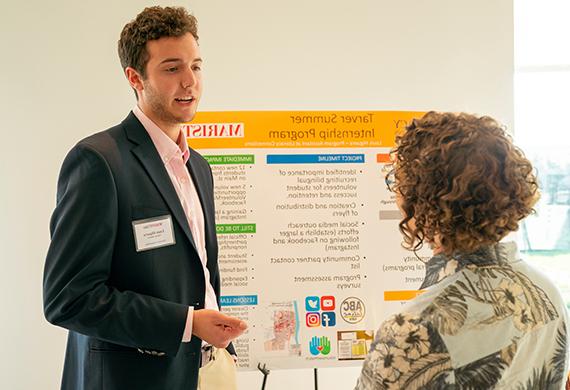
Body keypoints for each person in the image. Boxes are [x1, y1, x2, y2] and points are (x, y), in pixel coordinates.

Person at [43, 6, 246, 390]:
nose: (190, 82)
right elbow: (68, 299)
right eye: (172, 69)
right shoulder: (98, 161)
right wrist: (186, 323)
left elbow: (200, 274)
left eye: (196, 66)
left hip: (207, 370)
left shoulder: (199, 167)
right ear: (135, 78)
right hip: (134, 379)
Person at [355, 112, 569, 389]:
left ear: (423, 199)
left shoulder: (414, 330)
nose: (396, 193)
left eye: (398, 183)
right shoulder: (546, 293)